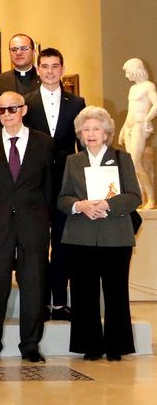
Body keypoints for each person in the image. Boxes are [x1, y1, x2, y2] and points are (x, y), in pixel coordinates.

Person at [0, 90, 55, 363]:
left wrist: (49, 223)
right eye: (1, 110)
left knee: (34, 285)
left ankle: (30, 344)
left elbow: (49, 187)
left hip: (34, 224)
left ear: (24, 110)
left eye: (12, 109)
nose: (7, 114)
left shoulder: (44, 143)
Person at [58, 106, 141, 361]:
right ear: (80, 134)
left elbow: (134, 196)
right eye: (86, 129)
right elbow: (62, 199)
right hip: (80, 236)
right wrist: (79, 205)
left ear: (106, 133)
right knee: (84, 294)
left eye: (96, 129)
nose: (91, 134)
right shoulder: (73, 161)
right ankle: (90, 346)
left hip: (115, 236)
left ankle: (116, 346)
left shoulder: (121, 157)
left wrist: (107, 204)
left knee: (116, 293)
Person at [23, 47, 85, 321]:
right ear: (37, 69)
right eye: (45, 66)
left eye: (55, 66)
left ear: (62, 69)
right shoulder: (26, 103)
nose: (50, 71)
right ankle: (39, 302)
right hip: (34, 184)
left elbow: (81, 146)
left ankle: (59, 302)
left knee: (61, 243)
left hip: (65, 184)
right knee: (36, 244)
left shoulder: (77, 103)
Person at [120, 58, 157, 209]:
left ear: (135, 70)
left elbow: (156, 104)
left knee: (135, 164)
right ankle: (141, 197)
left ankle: (152, 199)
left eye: (128, 72)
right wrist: (123, 128)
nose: (127, 75)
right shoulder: (133, 89)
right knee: (131, 165)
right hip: (130, 126)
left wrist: (147, 119)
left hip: (139, 127)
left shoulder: (149, 86)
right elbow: (130, 110)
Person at [0, 33, 39, 99]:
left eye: (23, 48)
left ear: (33, 52)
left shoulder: (45, 78)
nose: (18, 53)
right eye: (14, 49)